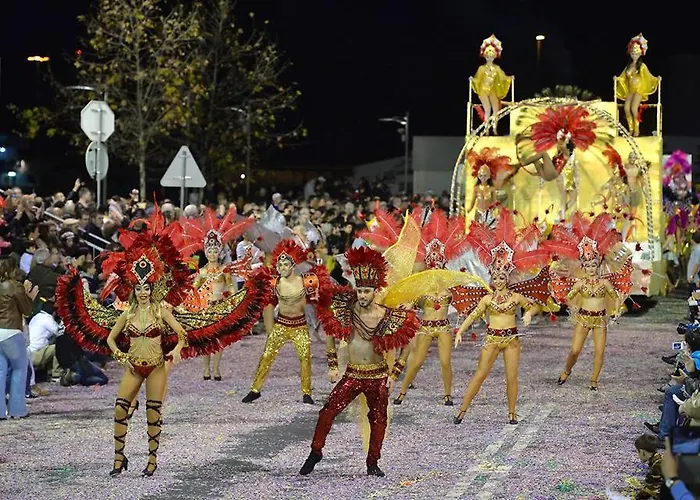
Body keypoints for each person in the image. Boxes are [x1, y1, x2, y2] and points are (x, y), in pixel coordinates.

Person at [56, 204, 267, 476]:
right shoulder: (127, 313)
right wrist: (120, 355)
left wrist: (176, 349)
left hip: (156, 365)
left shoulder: (163, 311)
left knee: (153, 413)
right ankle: (119, 459)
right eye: (139, 288)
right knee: (120, 410)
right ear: (133, 289)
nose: (143, 292)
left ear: (153, 288)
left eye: (147, 287)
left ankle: (152, 461)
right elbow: (108, 337)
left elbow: (185, 331)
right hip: (133, 366)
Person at [299, 246, 419, 477]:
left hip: (378, 376)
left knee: (379, 420)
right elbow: (330, 332)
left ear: (375, 291)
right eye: (360, 290)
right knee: (327, 411)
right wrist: (333, 365)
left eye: (366, 291)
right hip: (353, 374)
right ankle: (315, 451)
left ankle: (372, 463)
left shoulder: (387, 315)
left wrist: (394, 374)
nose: (362, 295)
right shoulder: (345, 308)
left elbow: (408, 345)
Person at [451, 209, 551, 424]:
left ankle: (512, 413)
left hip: (512, 340)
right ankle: (462, 409)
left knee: (511, 377)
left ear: (507, 278)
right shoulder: (487, 299)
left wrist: (528, 314)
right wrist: (460, 331)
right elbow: (473, 315)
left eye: (501, 277)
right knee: (480, 374)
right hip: (492, 339)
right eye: (495, 277)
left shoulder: (516, 296)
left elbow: (533, 306)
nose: (498, 280)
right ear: (492, 278)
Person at [388, 208, 470, 406]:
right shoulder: (421, 288)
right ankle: (402, 392)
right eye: (431, 269)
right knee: (416, 362)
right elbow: (408, 302)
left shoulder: (450, 288)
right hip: (425, 327)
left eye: (438, 268)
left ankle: (447, 395)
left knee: (445, 362)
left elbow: (466, 299)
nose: (435, 272)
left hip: (443, 327)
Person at [547, 212, 633, 391]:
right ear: (583, 265)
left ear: (598, 264)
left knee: (599, 352)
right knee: (575, 350)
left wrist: (616, 311)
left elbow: (615, 296)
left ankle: (594, 380)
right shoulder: (579, 283)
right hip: (583, 319)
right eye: (588, 265)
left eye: (594, 265)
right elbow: (568, 297)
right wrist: (567, 292)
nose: (591, 268)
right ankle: (567, 371)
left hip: (600, 320)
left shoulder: (605, 282)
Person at [242, 240, 326, 404]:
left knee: (305, 357)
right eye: (279, 265)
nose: (282, 268)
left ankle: (306, 393)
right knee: (267, 355)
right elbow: (268, 305)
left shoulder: (307, 281)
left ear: (293, 265)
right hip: (281, 325)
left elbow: (320, 302)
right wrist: (269, 331)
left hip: (300, 326)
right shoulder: (275, 283)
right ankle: (255, 389)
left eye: (285, 264)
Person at [181, 207, 254, 381]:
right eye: (210, 251)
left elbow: (231, 287)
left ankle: (216, 368)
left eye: (215, 251)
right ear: (206, 253)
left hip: (221, 307)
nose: (212, 254)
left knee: (219, 339)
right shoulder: (202, 272)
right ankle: (206, 368)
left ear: (219, 252)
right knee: (207, 339)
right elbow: (194, 290)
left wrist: (235, 301)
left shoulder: (224, 270)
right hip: (206, 308)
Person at [0, 255, 38, 419]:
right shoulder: (14, 286)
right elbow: (27, 311)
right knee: (19, 369)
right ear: (10, 269)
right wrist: (29, 297)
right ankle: (17, 410)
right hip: (11, 332)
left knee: (0, 372)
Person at [615, 34, 659, 137]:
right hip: (631, 90)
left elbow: (649, 76)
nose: (634, 55)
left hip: (639, 90)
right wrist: (617, 79)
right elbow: (623, 77)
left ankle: (637, 130)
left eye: (636, 54)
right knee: (626, 108)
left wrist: (656, 79)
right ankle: (630, 129)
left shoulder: (642, 66)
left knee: (634, 108)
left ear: (640, 54)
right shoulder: (628, 66)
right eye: (632, 53)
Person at [471, 34, 512, 135]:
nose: (490, 58)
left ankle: (494, 128)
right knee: (487, 109)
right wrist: (472, 80)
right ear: (485, 56)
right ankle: (486, 129)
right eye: (488, 56)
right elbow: (477, 79)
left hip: (492, 90)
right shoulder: (481, 68)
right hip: (483, 90)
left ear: (494, 57)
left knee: (496, 109)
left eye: (492, 56)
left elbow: (503, 77)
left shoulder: (497, 68)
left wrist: (509, 78)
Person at [634, 434, 664, 499]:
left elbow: (651, 490)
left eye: (637, 452)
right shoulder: (659, 458)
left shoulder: (657, 464)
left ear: (642, 452)